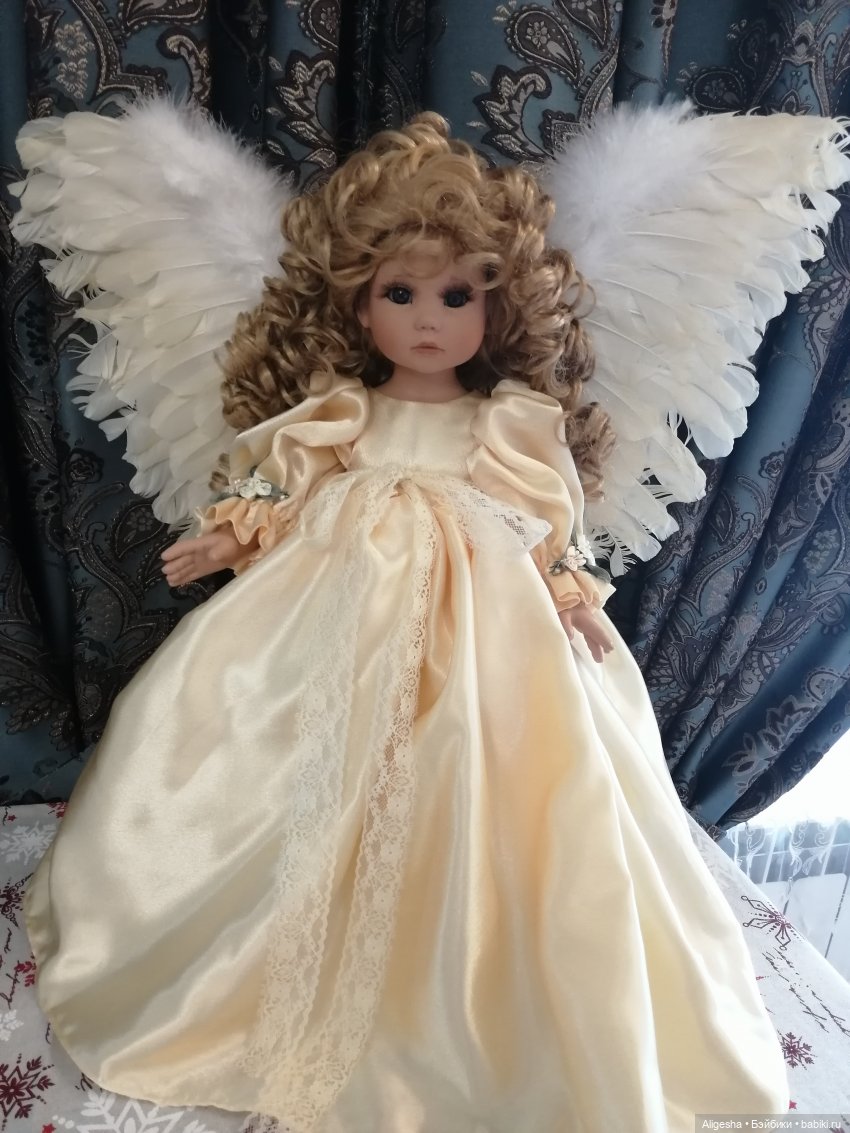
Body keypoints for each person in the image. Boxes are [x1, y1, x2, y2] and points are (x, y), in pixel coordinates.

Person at [24, 112, 788, 1132]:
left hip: (489, 645)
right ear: (358, 300)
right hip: (322, 627)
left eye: (456, 295)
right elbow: (276, 490)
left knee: (493, 782)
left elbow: (548, 529)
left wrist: (573, 600)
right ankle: (248, 961)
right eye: (401, 293)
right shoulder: (340, 411)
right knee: (287, 767)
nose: (429, 319)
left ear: (495, 304)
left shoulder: (508, 423)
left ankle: (463, 995)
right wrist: (227, 537)